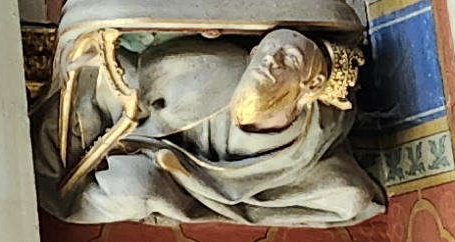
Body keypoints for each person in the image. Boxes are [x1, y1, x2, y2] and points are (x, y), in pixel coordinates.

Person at [49, 24, 377, 226]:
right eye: (267, 49)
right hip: (137, 129)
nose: (271, 59)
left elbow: (344, 190)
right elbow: (135, 81)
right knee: (80, 108)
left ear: (312, 84)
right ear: (251, 53)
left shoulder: (301, 145)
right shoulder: (208, 68)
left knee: (133, 190)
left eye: (289, 58)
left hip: (183, 180)